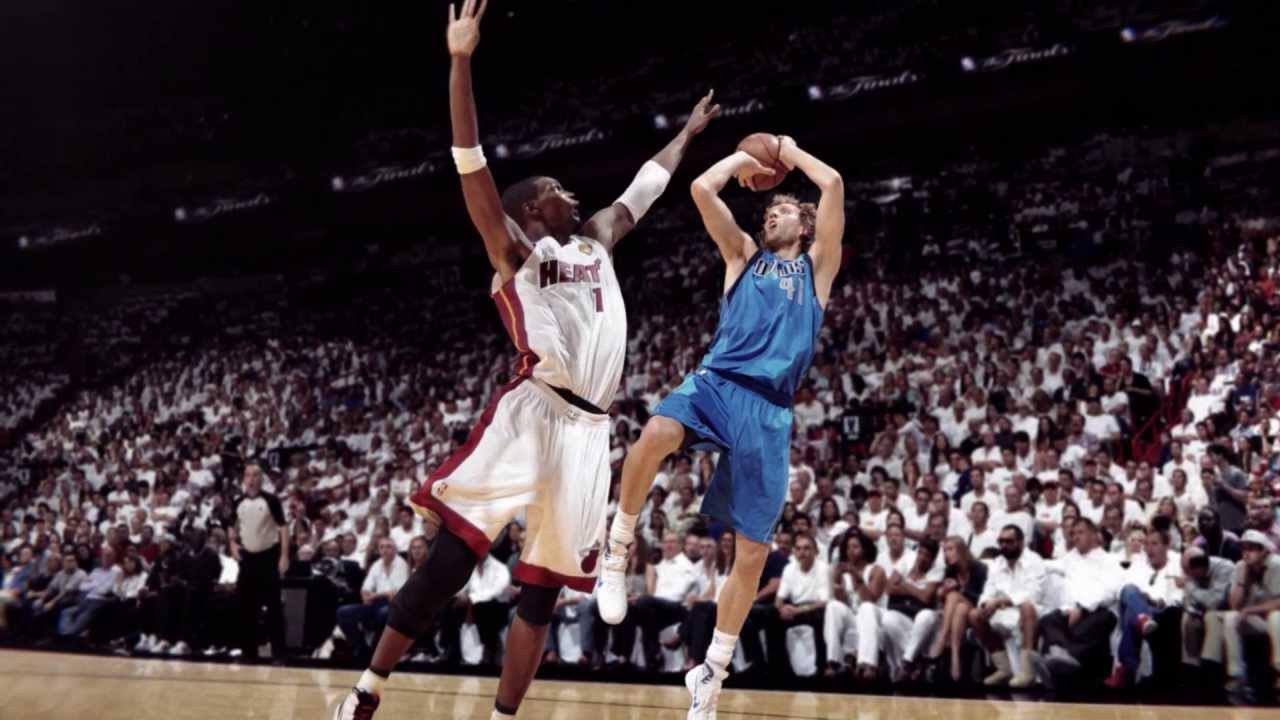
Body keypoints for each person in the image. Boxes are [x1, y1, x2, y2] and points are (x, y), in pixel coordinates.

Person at [332, 3, 718, 718]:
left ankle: (504, 716)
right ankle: (366, 690)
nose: (574, 195)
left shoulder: (596, 239)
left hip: (590, 432)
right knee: (452, 560)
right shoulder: (516, 249)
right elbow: (469, 160)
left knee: (541, 594)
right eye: (557, 191)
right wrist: (460, 61)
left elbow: (646, 186)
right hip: (534, 411)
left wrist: (686, 136)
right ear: (534, 209)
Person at [600, 122, 844, 717]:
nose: (770, 215)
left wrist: (788, 151)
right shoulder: (743, 257)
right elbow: (701, 191)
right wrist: (742, 160)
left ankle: (711, 671)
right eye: (768, 210)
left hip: (770, 410)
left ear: (805, 225)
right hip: (718, 382)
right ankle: (617, 548)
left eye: (782, 210)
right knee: (656, 433)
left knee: (753, 553)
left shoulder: (816, 270)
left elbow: (833, 182)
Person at [229, 461, 289, 663]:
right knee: (246, 607)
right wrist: (232, 545)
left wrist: (284, 556)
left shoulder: (271, 500)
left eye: (255, 475)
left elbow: (283, 528)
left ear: (261, 479)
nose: (251, 479)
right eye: (248, 475)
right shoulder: (238, 502)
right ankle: (249, 653)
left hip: (268, 557)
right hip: (247, 559)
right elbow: (231, 526)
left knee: (274, 607)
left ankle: (279, 654)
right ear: (243, 479)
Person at [336, 538, 408, 660]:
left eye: (388, 547)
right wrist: (369, 595)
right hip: (375, 604)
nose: (385, 550)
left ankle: (378, 650)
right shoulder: (376, 564)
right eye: (382, 547)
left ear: (395, 550)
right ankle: (361, 648)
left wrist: (374, 595)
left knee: (383, 613)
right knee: (343, 612)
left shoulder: (401, 564)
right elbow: (365, 589)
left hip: (394, 606)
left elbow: (396, 594)